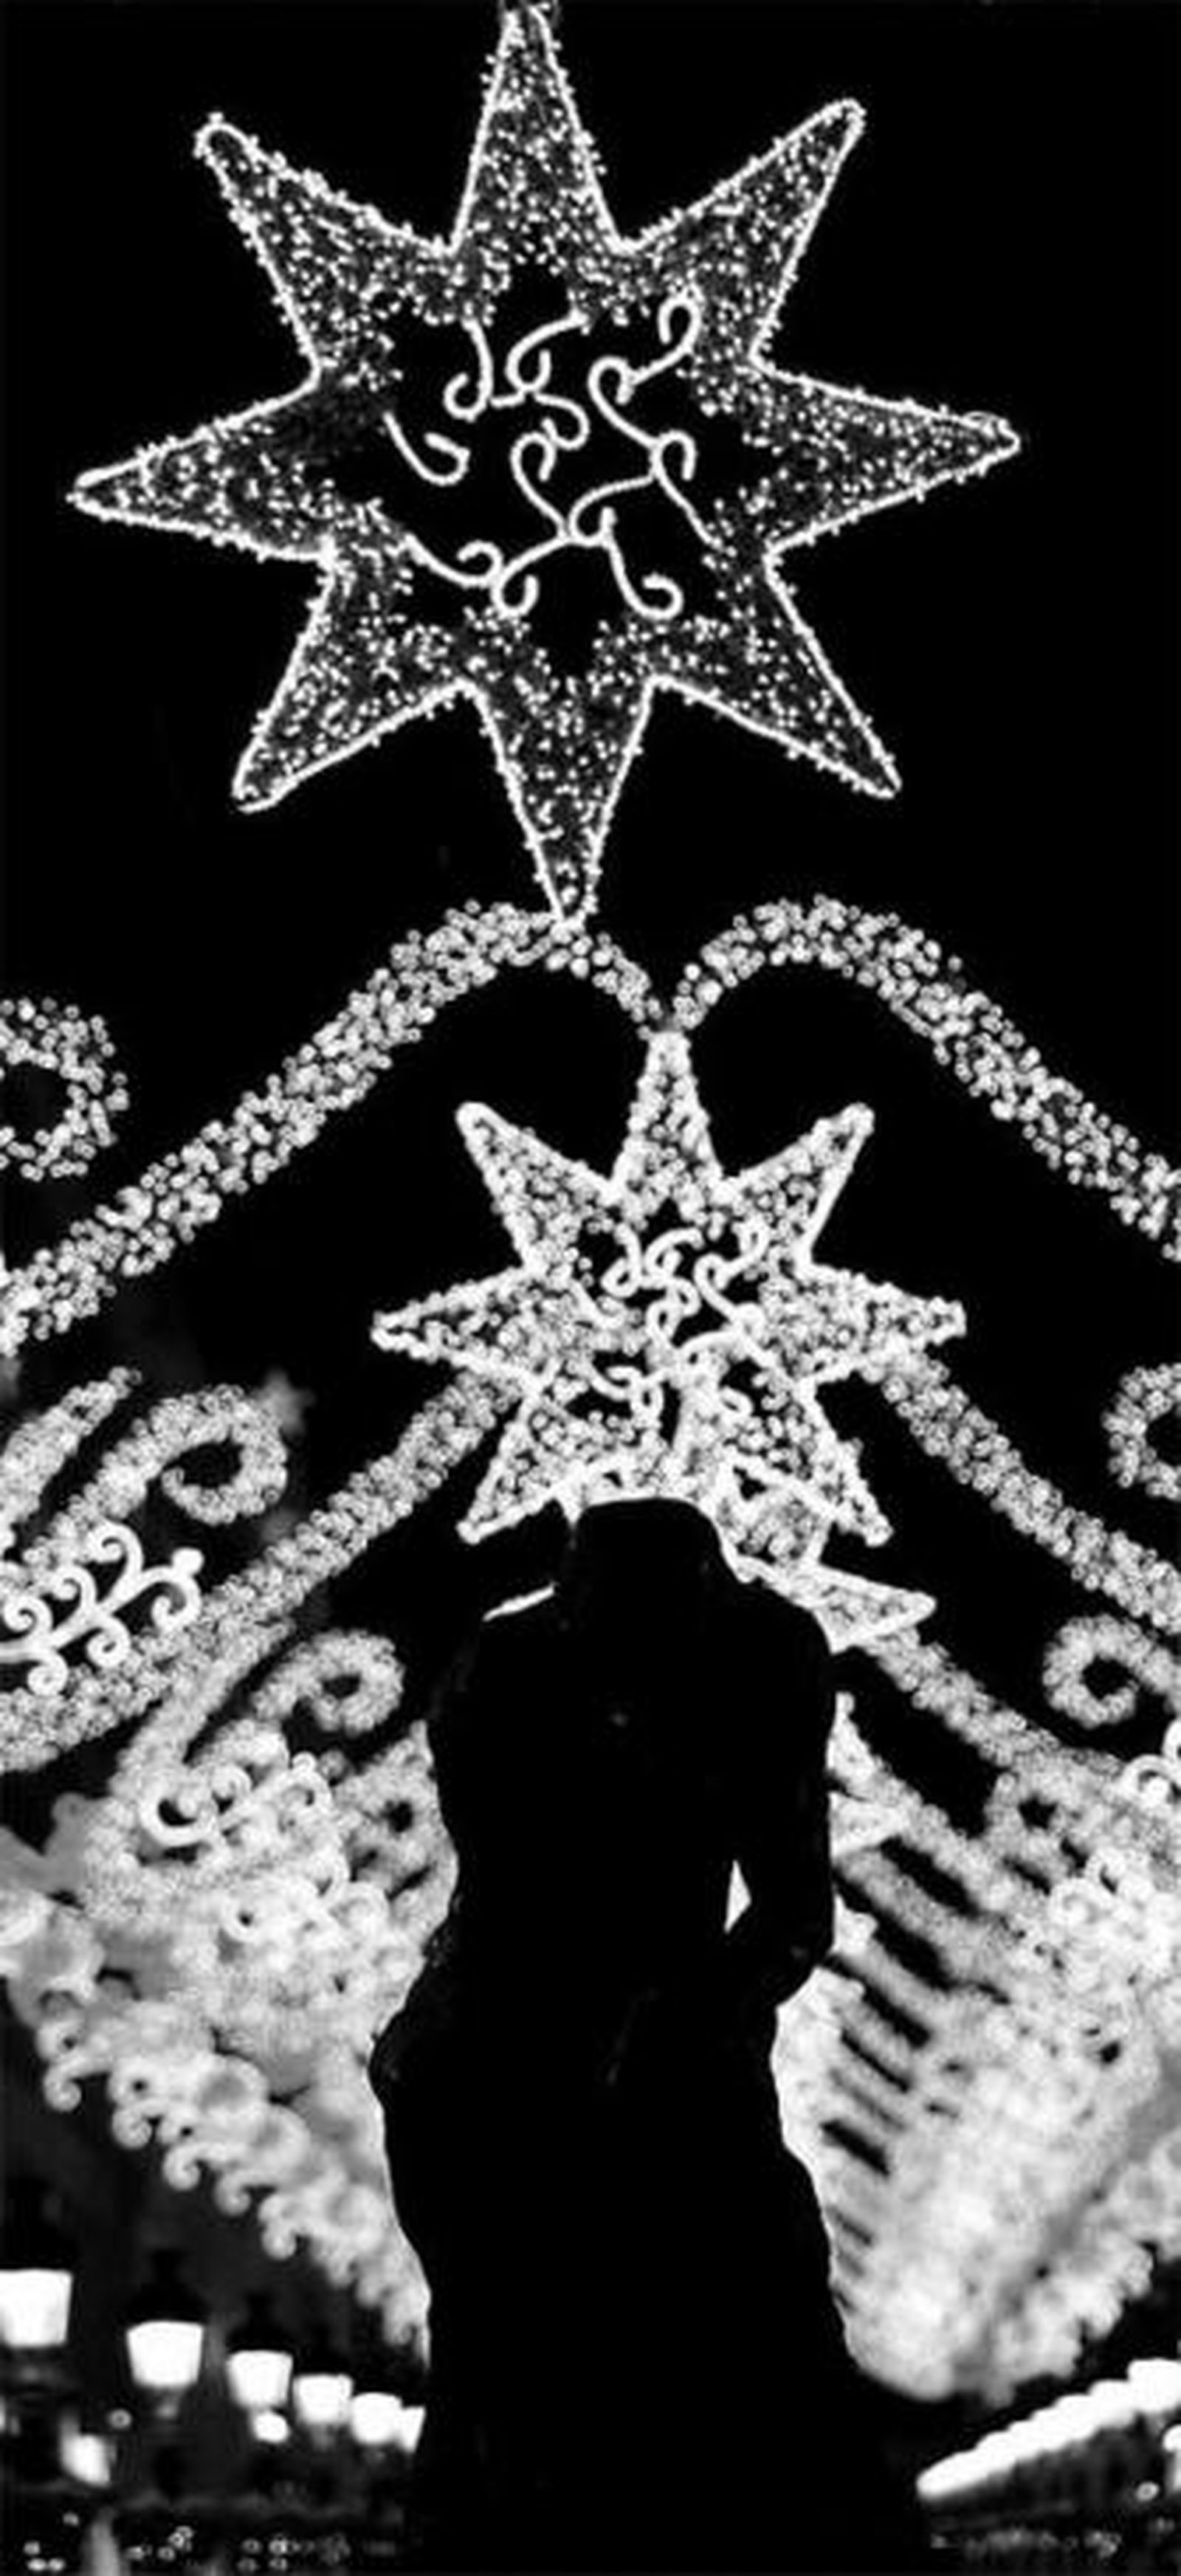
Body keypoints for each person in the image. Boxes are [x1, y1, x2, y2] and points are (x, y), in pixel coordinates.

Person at [370, 1498, 925, 2572]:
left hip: (668, 2038)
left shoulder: (760, 1656)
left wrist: (693, 2018)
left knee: (742, 2333)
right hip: (503, 2038)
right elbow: (496, 1880)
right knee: (503, 2353)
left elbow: (795, 1911)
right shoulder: (505, 1665)